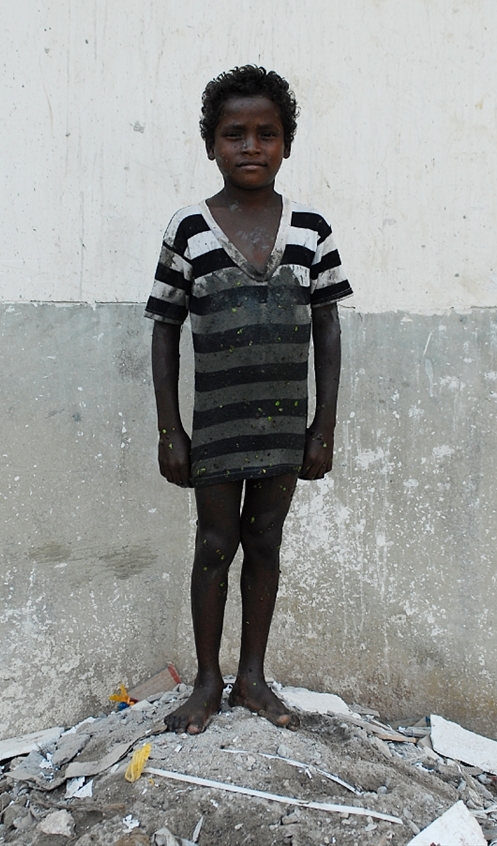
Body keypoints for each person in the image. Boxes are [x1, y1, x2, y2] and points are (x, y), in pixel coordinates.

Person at [145, 66, 353, 734]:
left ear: (286, 143)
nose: (251, 146)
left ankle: (252, 679)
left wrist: (323, 425)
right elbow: (164, 329)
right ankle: (207, 682)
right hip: (216, 428)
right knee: (215, 544)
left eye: (267, 133)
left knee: (265, 543)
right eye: (234, 134)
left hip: (284, 427)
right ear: (212, 144)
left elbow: (327, 327)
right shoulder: (189, 229)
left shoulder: (311, 230)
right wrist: (170, 430)